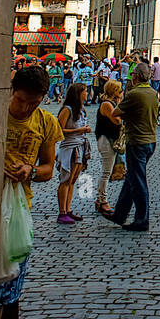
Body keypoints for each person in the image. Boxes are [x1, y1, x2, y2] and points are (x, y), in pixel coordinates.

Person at [0, 63, 64, 319]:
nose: (26, 108)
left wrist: (30, 170)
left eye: (34, 103)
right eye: (21, 101)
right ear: (12, 91)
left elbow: (49, 169)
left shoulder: (46, 122)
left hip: (19, 208)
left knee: (7, 285)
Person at [99, 62, 158, 231]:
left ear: (137, 76)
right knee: (131, 179)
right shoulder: (153, 93)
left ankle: (142, 219)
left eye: (133, 75)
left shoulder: (134, 94)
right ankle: (119, 215)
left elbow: (115, 112)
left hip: (137, 141)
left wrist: (123, 102)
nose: (131, 78)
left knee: (138, 181)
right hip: (150, 140)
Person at [55, 83, 91, 223]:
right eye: (85, 91)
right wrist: (79, 130)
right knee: (65, 179)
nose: (86, 93)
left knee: (72, 180)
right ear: (78, 94)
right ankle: (62, 212)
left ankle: (68, 209)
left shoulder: (81, 109)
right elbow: (59, 129)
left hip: (79, 146)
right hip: (69, 147)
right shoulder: (67, 110)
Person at [94, 78, 123, 212]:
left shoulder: (112, 103)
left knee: (110, 171)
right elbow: (117, 120)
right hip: (106, 139)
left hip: (111, 139)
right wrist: (120, 105)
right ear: (115, 91)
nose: (122, 92)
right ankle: (102, 200)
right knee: (106, 172)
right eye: (120, 90)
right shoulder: (107, 104)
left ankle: (100, 199)